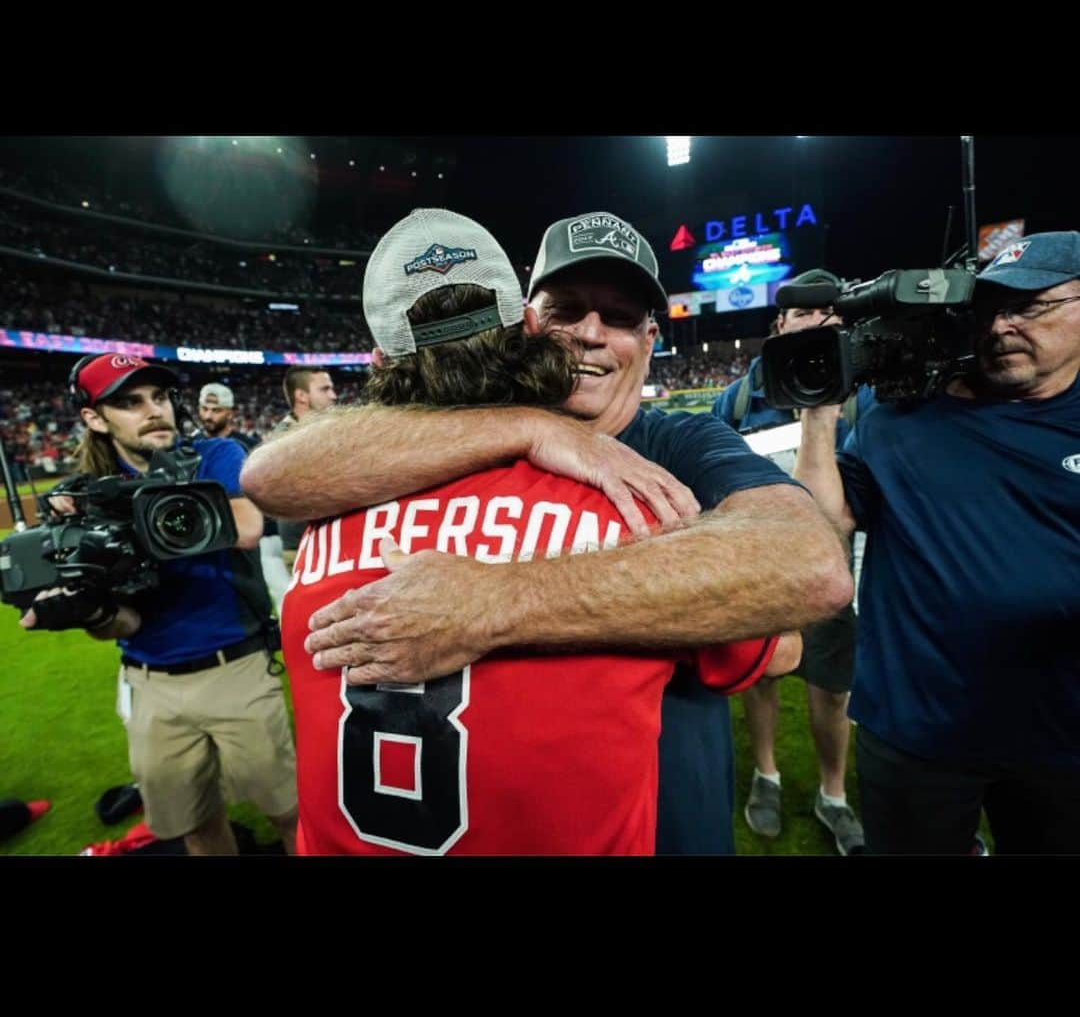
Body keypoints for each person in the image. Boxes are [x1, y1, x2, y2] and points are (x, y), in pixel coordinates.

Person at [243, 210, 853, 855]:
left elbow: (807, 574)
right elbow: (268, 474)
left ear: (652, 337)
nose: (591, 334)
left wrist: (496, 600)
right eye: (568, 309)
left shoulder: (684, 440)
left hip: (674, 810)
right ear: (527, 325)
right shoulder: (601, 512)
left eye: (619, 317)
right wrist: (534, 429)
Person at [794, 231, 1080, 854]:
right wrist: (819, 409)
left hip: (1061, 731)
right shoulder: (902, 418)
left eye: (1031, 306)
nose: (1002, 324)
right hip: (915, 728)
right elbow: (823, 522)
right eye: (988, 308)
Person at [19, 353, 298, 856]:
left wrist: (128, 519)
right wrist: (88, 608)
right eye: (129, 402)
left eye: (160, 397)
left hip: (236, 667)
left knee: (289, 811)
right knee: (194, 824)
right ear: (94, 418)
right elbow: (121, 625)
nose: (154, 411)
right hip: (148, 682)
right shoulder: (88, 499)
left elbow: (247, 527)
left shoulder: (214, 455)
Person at [714, 269, 874, 855]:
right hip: (759, 577)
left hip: (835, 577)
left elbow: (854, 512)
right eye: (803, 315)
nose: (815, 325)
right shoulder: (733, 400)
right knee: (758, 680)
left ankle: (832, 794)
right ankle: (767, 774)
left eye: (828, 317)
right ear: (780, 325)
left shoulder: (864, 401)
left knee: (834, 694)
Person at [198, 380, 291, 614]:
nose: (208, 416)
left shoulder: (248, 446)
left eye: (216, 410)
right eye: (204, 409)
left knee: (278, 595)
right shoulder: (193, 449)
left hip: (259, 535)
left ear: (231, 413)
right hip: (216, 538)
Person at [273, 367, 338, 576]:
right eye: (324, 389)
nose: (333, 396)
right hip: (305, 548)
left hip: (325, 542)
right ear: (301, 395)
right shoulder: (285, 439)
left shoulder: (318, 431)